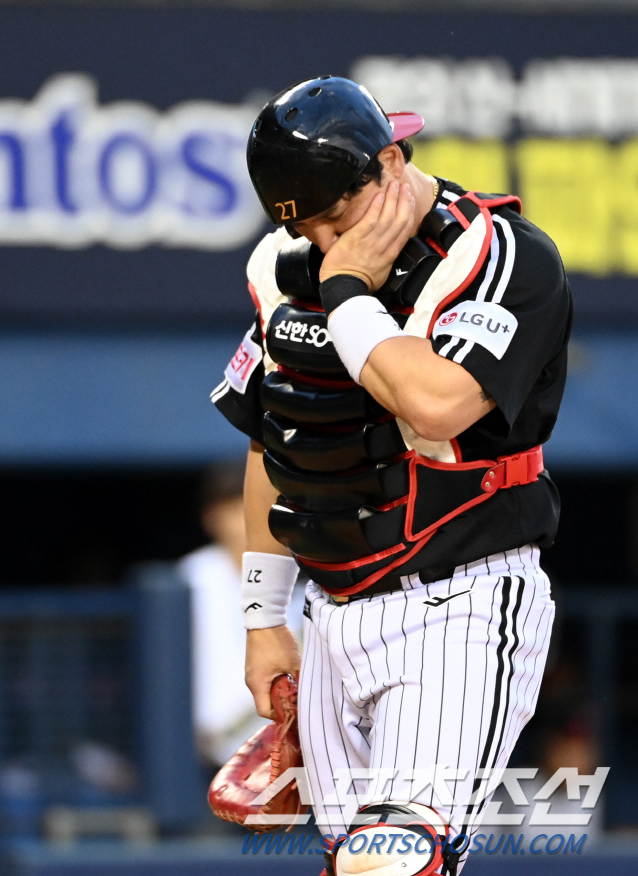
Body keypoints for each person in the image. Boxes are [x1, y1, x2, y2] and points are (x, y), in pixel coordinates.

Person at [210, 76, 571, 875]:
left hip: (463, 602)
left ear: (392, 161)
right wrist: (265, 616)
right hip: (332, 620)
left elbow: (437, 404)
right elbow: (279, 440)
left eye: (342, 215)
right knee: (361, 866)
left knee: (395, 860)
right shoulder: (287, 265)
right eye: (311, 228)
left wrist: (345, 294)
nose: (331, 242)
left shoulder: (504, 255)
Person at [177, 459, 304, 766]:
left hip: (282, 752)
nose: (252, 518)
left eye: (265, 507)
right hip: (202, 754)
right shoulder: (192, 578)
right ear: (213, 517)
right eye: (238, 508)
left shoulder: (306, 579)